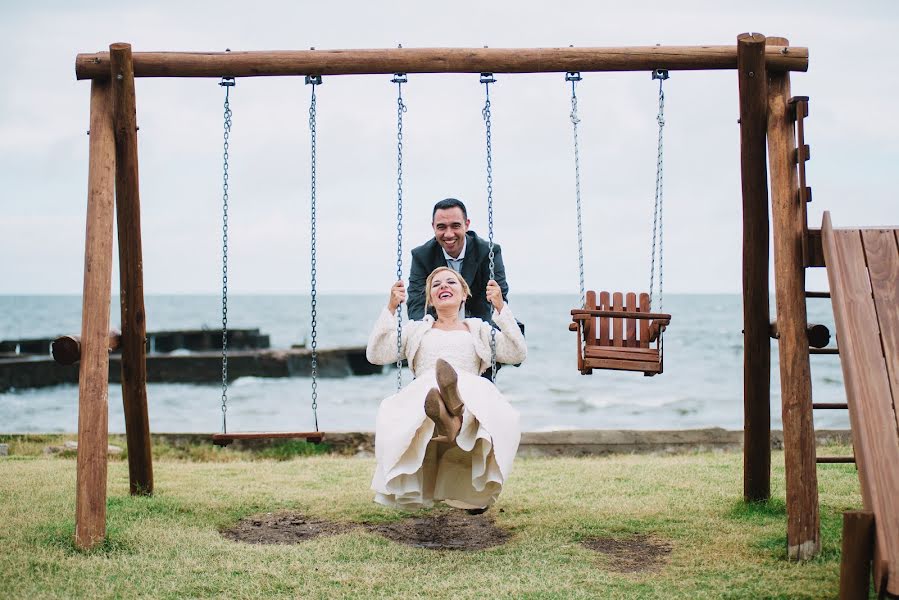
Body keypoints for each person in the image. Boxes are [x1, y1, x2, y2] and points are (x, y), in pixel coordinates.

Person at [366, 266, 527, 512]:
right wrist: (390, 307)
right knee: (429, 385)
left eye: (451, 282)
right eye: (436, 284)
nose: (444, 286)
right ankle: (448, 412)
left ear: (464, 294)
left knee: (471, 390)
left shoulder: (479, 330)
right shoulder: (416, 330)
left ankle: (452, 408)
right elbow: (376, 354)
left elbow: (517, 352)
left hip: (469, 389)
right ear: (430, 299)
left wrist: (501, 308)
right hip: (426, 391)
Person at [407, 198, 509, 325]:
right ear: (433, 227)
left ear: (466, 225)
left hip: (479, 328)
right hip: (438, 330)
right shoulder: (422, 256)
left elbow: (499, 298)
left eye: (455, 226)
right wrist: (426, 334)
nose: (449, 234)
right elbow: (416, 303)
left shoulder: (488, 252)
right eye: (441, 227)